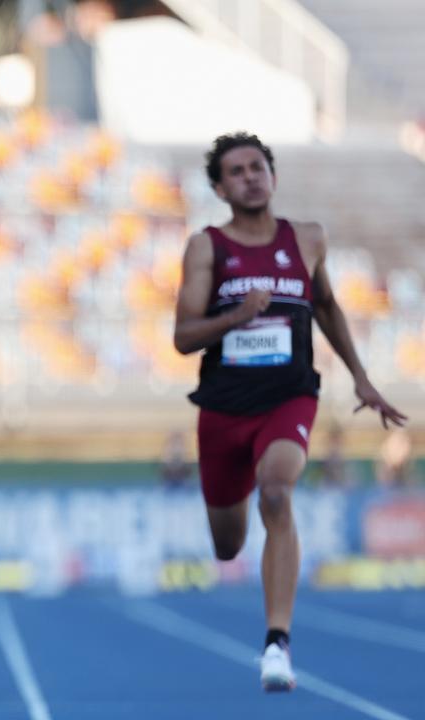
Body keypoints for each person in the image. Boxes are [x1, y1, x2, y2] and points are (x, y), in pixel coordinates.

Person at [173, 133, 407, 692]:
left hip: (290, 394)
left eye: (258, 167)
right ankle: (242, 527)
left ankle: (276, 643)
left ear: (272, 176)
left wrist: (362, 377)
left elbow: (325, 305)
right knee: (227, 543)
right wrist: (234, 318)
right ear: (219, 187)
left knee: (277, 493)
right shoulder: (207, 247)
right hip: (225, 407)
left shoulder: (307, 239)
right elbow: (182, 337)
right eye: (237, 171)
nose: (250, 177)